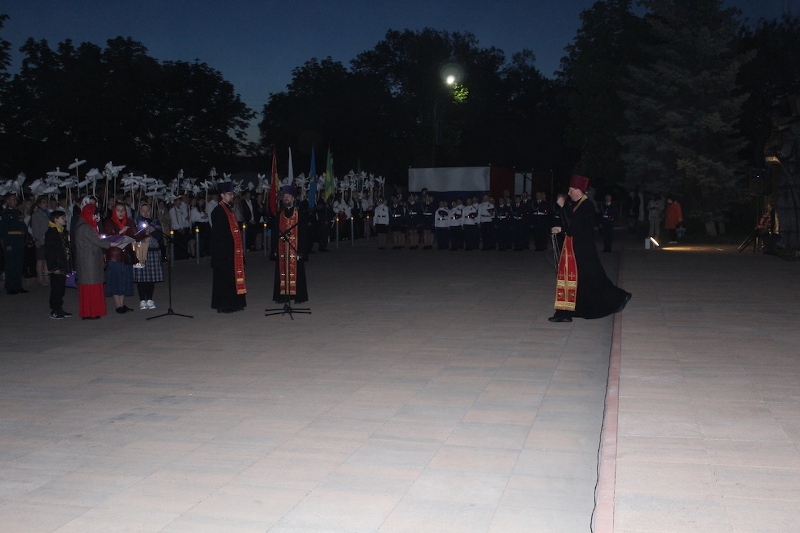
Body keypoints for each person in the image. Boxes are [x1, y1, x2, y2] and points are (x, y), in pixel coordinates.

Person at [549, 174, 631, 323]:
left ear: (579, 190)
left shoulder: (586, 205)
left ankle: (618, 297)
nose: (568, 193)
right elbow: (572, 225)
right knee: (583, 280)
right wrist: (561, 229)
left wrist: (563, 207)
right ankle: (567, 311)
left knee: (591, 280)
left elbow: (573, 228)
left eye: (571, 190)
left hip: (582, 251)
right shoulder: (577, 204)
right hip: (575, 249)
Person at [73, 204, 118, 319]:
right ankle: (91, 312)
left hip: (88, 260)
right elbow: (98, 241)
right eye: (94, 214)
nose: (95, 217)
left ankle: (89, 312)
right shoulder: (86, 227)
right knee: (91, 288)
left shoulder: (83, 225)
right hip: (89, 261)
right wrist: (113, 243)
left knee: (90, 288)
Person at [210, 182, 247, 313]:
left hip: (232, 252)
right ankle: (224, 305)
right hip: (223, 253)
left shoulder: (230, 210)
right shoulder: (218, 211)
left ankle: (234, 302)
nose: (231, 196)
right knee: (224, 279)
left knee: (233, 278)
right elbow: (219, 235)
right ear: (222, 195)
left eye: (232, 194)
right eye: (229, 194)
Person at [273, 186, 308, 304]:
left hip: (295, 249)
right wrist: (274, 249)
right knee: (281, 271)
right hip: (282, 248)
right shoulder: (280, 214)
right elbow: (275, 232)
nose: (286, 198)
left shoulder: (300, 214)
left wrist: (302, 250)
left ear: (293, 198)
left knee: (297, 272)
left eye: (288, 196)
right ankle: (282, 296)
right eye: (284, 196)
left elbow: (304, 234)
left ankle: (297, 295)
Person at [103, 202, 138, 314]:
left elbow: (134, 235)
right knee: (115, 280)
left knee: (124, 280)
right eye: (118, 210)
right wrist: (119, 232)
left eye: (123, 210)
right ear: (114, 211)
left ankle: (122, 304)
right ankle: (118, 305)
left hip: (126, 254)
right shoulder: (109, 222)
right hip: (114, 255)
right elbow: (106, 238)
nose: (121, 212)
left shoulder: (129, 221)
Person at [133, 203, 164, 310]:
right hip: (140, 250)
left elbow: (160, 236)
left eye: (147, 211)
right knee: (141, 277)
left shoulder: (154, 222)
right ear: (140, 211)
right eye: (143, 211)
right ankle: (142, 299)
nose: (145, 213)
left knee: (151, 276)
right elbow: (134, 236)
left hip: (153, 250)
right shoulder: (136, 222)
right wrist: (145, 233)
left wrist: (152, 231)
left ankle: (150, 298)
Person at [44, 210, 72, 318]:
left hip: (63, 263)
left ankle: (59, 308)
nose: (65, 219)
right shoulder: (51, 233)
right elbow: (49, 252)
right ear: (55, 219)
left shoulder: (63, 232)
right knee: (56, 288)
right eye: (62, 217)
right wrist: (54, 266)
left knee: (61, 288)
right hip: (57, 265)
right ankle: (55, 309)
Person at [1, 194, 30, 295]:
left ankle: (18, 286)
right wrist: (7, 243)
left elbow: (23, 226)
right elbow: (3, 230)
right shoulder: (4, 214)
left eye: (15, 200)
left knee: (19, 264)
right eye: (13, 200)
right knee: (11, 265)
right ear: (7, 201)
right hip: (11, 241)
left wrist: (27, 237)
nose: (15, 201)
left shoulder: (18, 212)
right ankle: (10, 287)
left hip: (19, 241)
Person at [30, 196, 51, 286]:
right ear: (39, 204)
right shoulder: (36, 214)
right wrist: (36, 239)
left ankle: (46, 278)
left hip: (47, 239)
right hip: (41, 239)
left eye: (46, 202)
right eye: (43, 202)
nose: (45, 204)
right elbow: (35, 228)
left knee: (46, 259)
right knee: (40, 259)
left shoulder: (48, 213)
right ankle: (40, 278)